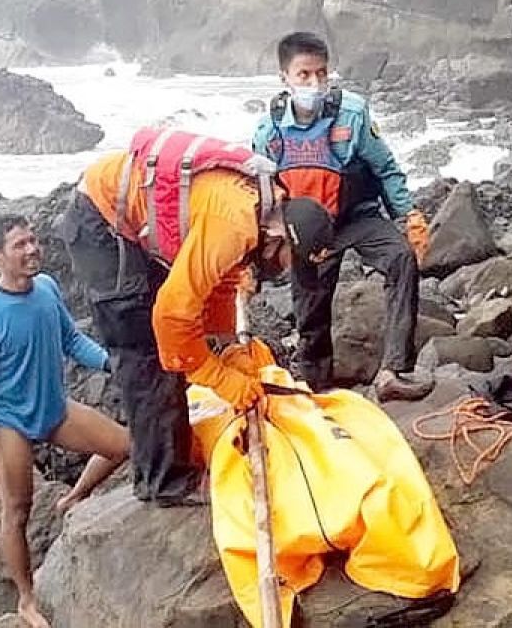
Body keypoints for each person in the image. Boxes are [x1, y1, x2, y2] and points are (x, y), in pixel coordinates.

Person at [60, 126, 333, 507]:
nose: (286, 271)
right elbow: (171, 317)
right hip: (103, 222)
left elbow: (218, 281)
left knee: (170, 341)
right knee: (145, 349)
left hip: (133, 214)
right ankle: (163, 482)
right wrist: (217, 377)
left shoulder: (264, 206)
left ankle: (170, 459)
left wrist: (225, 348)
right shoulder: (235, 223)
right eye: (290, 261)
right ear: (279, 238)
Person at [0, 214, 130, 628]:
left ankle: (73, 498)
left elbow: (71, 340)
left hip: (54, 408)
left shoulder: (48, 288)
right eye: (19, 245)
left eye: (33, 240)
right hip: (9, 423)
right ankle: (26, 599)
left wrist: (112, 364)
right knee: (17, 510)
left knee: (126, 445)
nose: (32, 250)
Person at [251, 31, 434, 402]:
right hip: (307, 228)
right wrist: (252, 259)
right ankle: (318, 386)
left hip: (355, 215)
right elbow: (261, 195)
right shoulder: (269, 132)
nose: (315, 83)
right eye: (304, 75)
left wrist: (409, 215)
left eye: (321, 73)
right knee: (309, 304)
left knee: (401, 259)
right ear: (284, 78)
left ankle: (393, 371)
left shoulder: (351, 113)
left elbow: (385, 168)